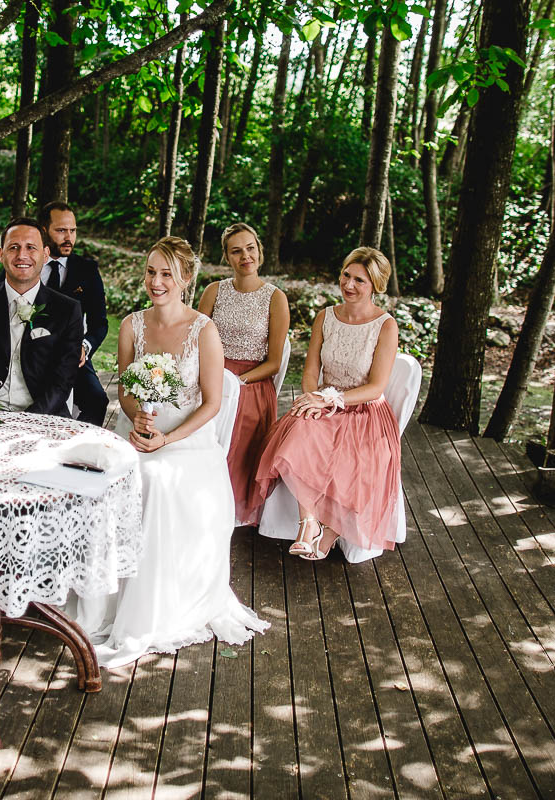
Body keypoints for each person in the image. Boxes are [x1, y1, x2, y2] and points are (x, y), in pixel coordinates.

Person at [71, 236, 268, 668]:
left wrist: (166, 439)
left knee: (154, 482)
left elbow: (212, 404)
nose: (156, 282)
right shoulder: (131, 325)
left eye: (166, 274)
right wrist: (138, 417)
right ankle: (99, 602)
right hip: (136, 431)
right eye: (151, 272)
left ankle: (149, 609)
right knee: (100, 480)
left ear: (185, 279)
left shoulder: (204, 330)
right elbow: (123, 390)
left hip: (187, 443)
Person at [249, 246, 401, 560]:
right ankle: (309, 523)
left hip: (363, 410)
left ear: (375, 286)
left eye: (360, 280)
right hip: (322, 402)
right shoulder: (326, 317)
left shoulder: (385, 326)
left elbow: (375, 387)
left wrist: (332, 399)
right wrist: (315, 398)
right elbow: (309, 373)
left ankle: (330, 529)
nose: (349, 285)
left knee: (347, 451)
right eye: (346, 275)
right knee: (299, 435)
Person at [197, 222, 290, 525]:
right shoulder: (214, 291)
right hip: (212, 372)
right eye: (236, 251)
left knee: (239, 415)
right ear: (227, 257)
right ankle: (196, 494)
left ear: (259, 251)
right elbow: (195, 339)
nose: (245, 256)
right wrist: (215, 376)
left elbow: (274, 361)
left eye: (250, 248)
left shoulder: (275, 298)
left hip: (252, 379)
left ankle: (232, 503)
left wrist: (237, 382)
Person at [0, 217, 84, 416]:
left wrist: (27, 420)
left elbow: (61, 383)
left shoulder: (67, 310)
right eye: (13, 247)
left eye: (31, 247)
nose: (22, 255)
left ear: (46, 254)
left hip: (44, 415)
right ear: (1, 254)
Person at [38, 201, 109, 426]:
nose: (69, 237)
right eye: (61, 231)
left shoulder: (87, 270)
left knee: (98, 399)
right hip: (33, 354)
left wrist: (84, 347)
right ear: (44, 231)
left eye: (72, 230)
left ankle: (80, 448)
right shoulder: (28, 263)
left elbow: (100, 323)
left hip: (73, 355)